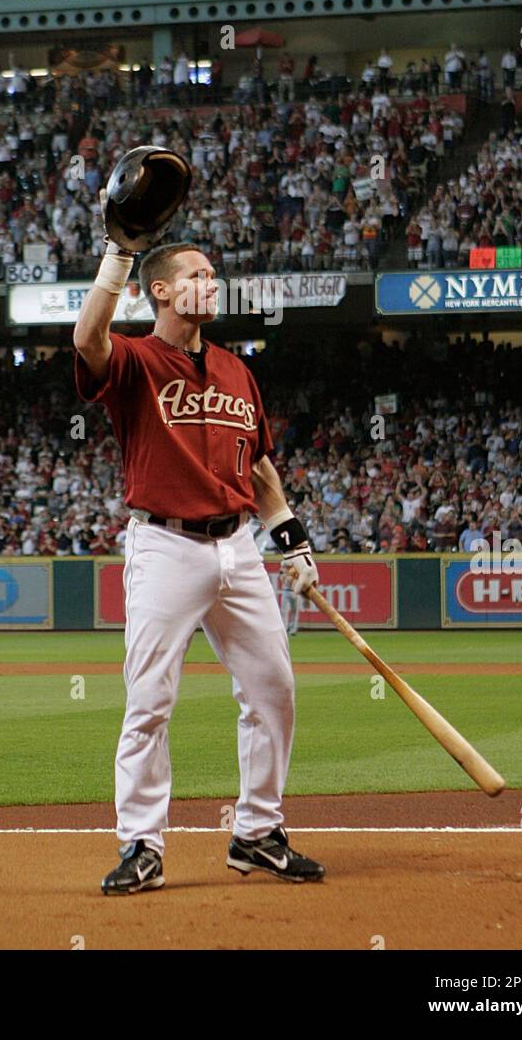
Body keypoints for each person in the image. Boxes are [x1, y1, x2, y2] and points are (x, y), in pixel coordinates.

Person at [73, 226, 325, 894]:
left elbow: (259, 463)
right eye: (195, 275)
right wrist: (117, 256)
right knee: (150, 700)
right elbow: (85, 342)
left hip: (238, 546)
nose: (209, 284)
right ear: (158, 289)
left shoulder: (238, 370)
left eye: (212, 275)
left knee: (273, 691)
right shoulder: (134, 361)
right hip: (165, 545)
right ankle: (142, 845)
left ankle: (257, 833)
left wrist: (290, 536)